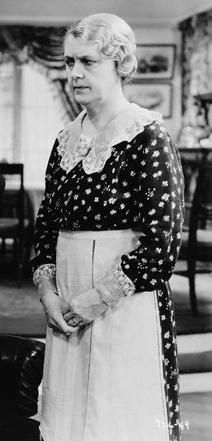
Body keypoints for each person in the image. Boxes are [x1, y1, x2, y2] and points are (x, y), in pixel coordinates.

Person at [32, 13, 184, 441]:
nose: (75, 73)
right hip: (63, 311)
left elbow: (161, 247)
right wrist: (49, 294)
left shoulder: (146, 136)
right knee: (64, 421)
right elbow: (45, 228)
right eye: (68, 62)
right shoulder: (64, 141)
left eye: (88, 62)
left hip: (123, 309)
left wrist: (91, 303)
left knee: (117, 419)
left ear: (120, 65)